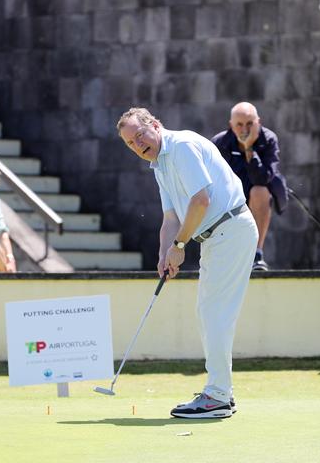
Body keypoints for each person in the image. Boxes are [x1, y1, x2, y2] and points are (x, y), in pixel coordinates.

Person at [117, 107, 258, 419]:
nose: (138, 145)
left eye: (140, 135)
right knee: (209, 312)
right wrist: (164, 252)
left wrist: (180, 246)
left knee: (215, 313)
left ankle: (218, 396)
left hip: (230, 228)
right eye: (131, 144)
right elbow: (171, 217)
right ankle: (221, 391)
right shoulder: (159, 164)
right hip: (216, 236)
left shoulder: (180, 147)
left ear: (155, 124)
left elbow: (201, 200)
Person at [211, 102, 288, 270]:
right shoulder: (219, 143)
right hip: (229, 198)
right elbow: (213, 182)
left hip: (256, 195)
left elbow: (262, 178)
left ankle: (257, 254)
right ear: (231, 125)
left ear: (258, 122)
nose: (244, 130)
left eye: (249, 124)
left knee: (260, 191)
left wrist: (249, 149)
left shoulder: (268, 139)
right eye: (239, 124)